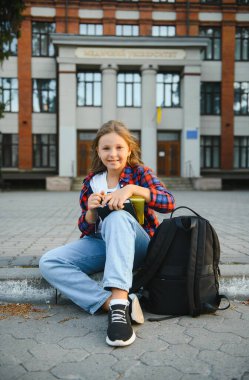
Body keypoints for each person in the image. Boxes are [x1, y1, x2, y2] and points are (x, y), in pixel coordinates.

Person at [39, 120, 175, 347]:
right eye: (106, 148)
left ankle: (119, 310)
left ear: (129, 149)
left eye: (119, 147)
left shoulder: (139, 173)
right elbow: (86, 227)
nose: (113, 154)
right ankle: (111, 303)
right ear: (98, 151)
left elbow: (168, 202)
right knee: (49, 262)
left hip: (138, 246)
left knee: (119, 216)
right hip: (101, 242)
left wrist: (130, 189)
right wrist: (91, 211)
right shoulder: (92, 182)